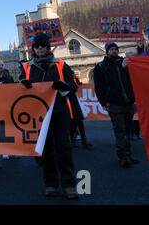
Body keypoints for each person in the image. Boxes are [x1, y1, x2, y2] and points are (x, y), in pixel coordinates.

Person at [19, 33, 78, 199]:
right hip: (39, 113)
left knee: (63, 147)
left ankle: (69, 184)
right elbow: (19, 89)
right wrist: (24, 86)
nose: (40, 49)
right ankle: (51, 184)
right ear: (33, 49)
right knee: (46, 149)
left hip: (60, 111)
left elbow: (73, 85)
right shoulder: (26, 67)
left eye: (43, 45)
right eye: (36, 46)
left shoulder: (60, 64)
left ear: (48, 47)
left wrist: (63, 86)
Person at [93, 43, 139, 168]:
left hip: (127, 102)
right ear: (107, 52)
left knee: (128, 129)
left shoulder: (124, 63)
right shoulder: (101, 67)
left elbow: (132, 80)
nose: (114, 51)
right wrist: (104, 103)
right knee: (120, 130)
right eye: (111, 49)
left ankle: (128, 154)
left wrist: (127, 68)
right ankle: (123, 157)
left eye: (115, 49)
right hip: (114, 103)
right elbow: (99, 87)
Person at [69, 76, 92, 149]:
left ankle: (82, 139)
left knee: (78, 120)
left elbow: (74, 84)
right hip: (67, 99)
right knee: (72, 121)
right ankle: (74, 139)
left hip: (73, 99)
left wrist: (76, 83)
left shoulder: (66, 70)